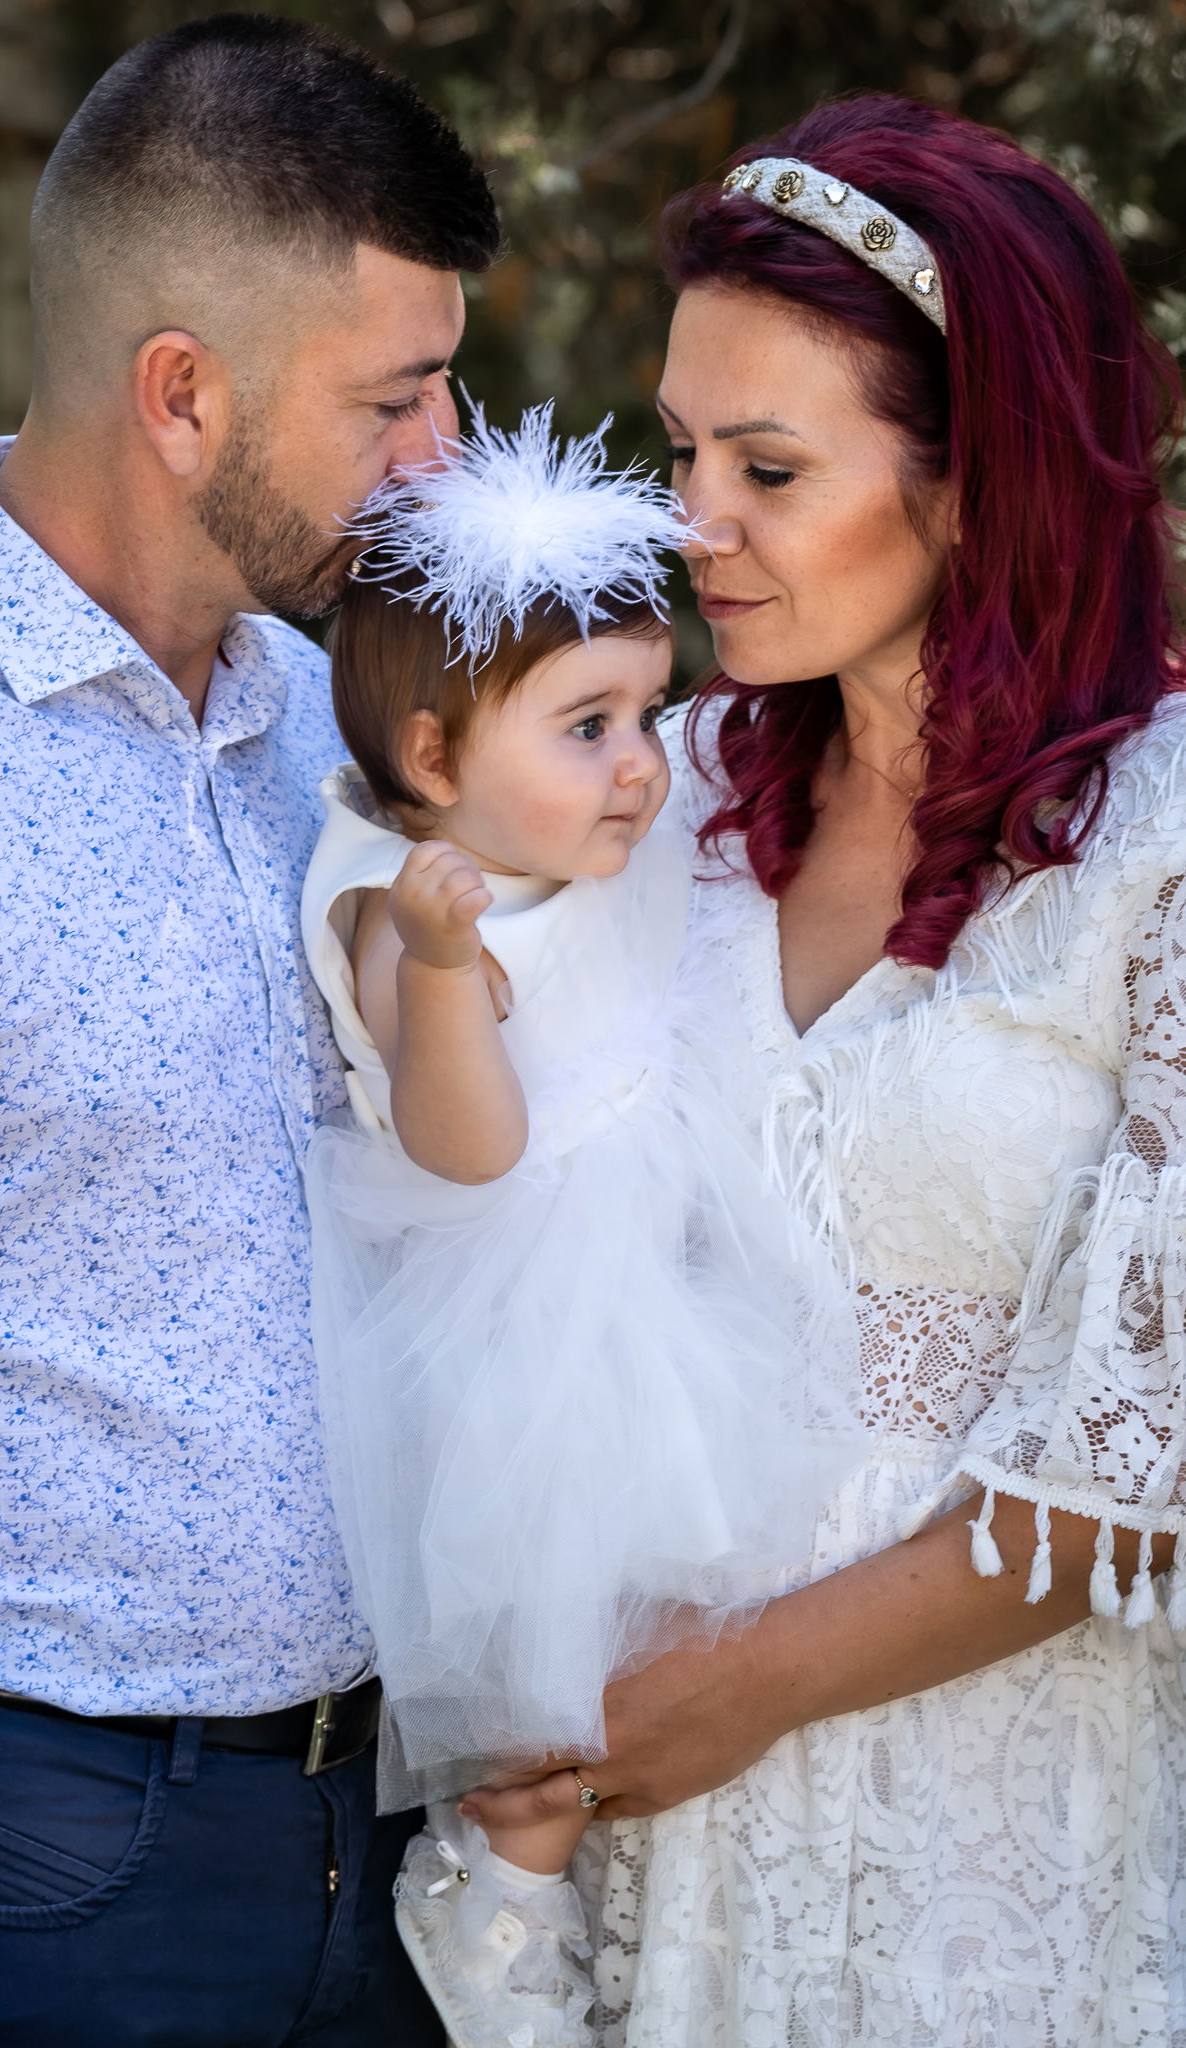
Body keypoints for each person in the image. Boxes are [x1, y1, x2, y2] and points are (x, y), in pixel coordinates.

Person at [465, 94, 1186, 2047]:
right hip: (636, 1799)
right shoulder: (661, 792)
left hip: (989, 1826)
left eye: (767, 467)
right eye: (681, 451)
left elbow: (1137, 1452)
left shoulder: (1158, 841)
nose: (690, 521)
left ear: (977, 479)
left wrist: (745, 1685)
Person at [0, 16, 498, 2048]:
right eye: (390, 398)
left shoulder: (336, 741)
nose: (444, 459)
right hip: (24, 1867)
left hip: (388, 1847)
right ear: (181, 393)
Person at [299, 405, 863, 2048]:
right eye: (588, 726)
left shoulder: (566, 829)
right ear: (432, 764)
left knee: (681, 1608)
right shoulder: (408, 912)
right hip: (530, 1322)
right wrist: (444, 973)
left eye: (644, 710)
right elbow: (468, 1148)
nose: (638, 763)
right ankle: (500, 1906)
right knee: (553, 1658)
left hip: (643, 1262)